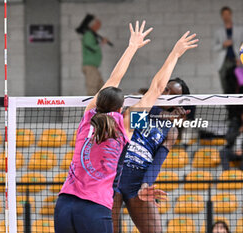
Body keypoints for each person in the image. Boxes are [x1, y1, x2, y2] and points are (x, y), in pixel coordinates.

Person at [54, 20, 153, 233]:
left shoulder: (87, 117)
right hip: (94, 208)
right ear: (120, 109)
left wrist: (132, 47)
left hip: (64, 204)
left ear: (99, 102)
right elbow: (156, 90)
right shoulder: (126, 127)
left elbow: (113, 79)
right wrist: (175, 53)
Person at [113, 47, 198, 233]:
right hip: (115, 175)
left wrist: (146, 184)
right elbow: (138, 114)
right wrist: (166, 116)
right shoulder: (144, 106)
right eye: (165, 89)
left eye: (172, 94)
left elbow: (156, 163)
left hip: (138, 182)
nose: (165, 94)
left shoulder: (171, 131)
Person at [213, 6, 243, 94]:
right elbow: (214, 47)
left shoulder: (239, 30)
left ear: (231, 15)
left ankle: (242, 107)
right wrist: (223, 44)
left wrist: (241, 58)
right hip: (224, 62)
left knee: (240, 86)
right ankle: (229, 107)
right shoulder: (218, 31)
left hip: (236, 61)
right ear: (221, 16)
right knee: (227, 87)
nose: (226, 16)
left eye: (227, 14)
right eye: (224, 14)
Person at [76, 14, 111, 96]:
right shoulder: (88, 35)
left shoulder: (92, 34)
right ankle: (90, 108)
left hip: (94, 67)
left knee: (101, 88)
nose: (99, 25)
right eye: (97, 23)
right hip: (90, 67)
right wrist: (102, 43)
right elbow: (92, 47)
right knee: (92, 90)